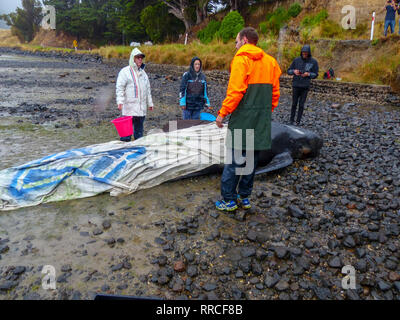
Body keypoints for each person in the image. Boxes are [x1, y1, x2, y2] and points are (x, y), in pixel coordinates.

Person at [215, 27, 281, 212]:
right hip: (260, 120)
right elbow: (275, 94)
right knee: (250, 161)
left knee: (234, 161)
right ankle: (244, 197)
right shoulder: (271, 62)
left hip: (242, 119)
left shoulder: (241, 59)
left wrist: (222, 113)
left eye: (236, 41)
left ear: (244, 40)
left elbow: (236, 91)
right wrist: (265, 112)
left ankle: (228, 199)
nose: (235, 45)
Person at [116, 47, 154, 141]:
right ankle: (124, 153)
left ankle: (138, 154)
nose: (140, 59)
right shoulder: (125, 72)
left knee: (139, 137)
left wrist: (150, 103)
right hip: (129, 109)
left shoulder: (144, 74)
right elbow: (120, 88)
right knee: (126, 137)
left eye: (141, 58)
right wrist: (120, 101)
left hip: (141, 111)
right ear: (133, 58)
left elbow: (148, 90)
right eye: (138, 57)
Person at [287, 45, 319, 126]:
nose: (304, 54)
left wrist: (308, 74)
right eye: (303, 52)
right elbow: (289, 71)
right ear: (301, 52)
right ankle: (291, 120)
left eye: (306, 53)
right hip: (296, 85)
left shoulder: (313, 62)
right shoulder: (296, 60)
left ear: (309, 53)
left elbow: (315, 74)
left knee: (301, 105)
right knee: (294, 103)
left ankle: (298, 121)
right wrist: (294, 71)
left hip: (305, 86)